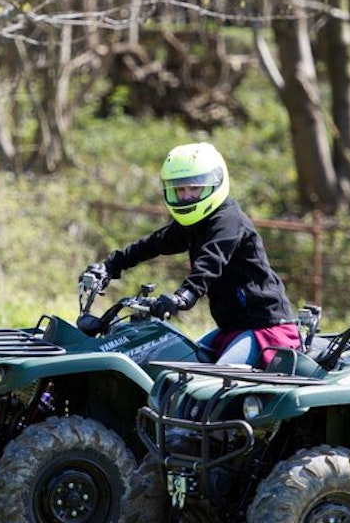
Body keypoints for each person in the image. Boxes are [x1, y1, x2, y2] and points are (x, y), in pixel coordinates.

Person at [81, 142, 301, 367]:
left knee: (211, 383)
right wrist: (110, 265)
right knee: (177, 363)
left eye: (194, 188)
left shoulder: (229, 220)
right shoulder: (195, 223)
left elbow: (211, 261)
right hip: (232, 329)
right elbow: (153, 244)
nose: (186, 196)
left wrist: (183, 296)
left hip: (265, 329)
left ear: (215, 183)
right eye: (179, 189)